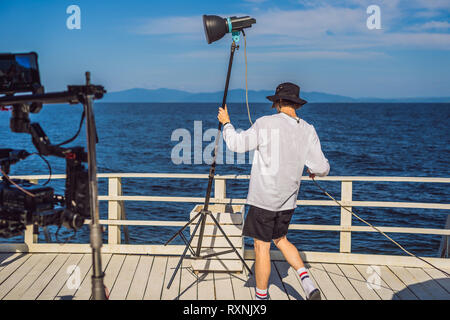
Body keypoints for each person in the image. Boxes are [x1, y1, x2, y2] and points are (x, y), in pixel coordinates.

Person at [217, 82, 330, 300]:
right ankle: (308, 284)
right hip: (288, 202)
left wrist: (227, 123)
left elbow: (236, 145)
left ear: (277, 103)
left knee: (261, 248)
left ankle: (261, 298)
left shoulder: (265, 123)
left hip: (263, 200)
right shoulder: (308, 129)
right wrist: (313, 170)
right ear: (296, 104)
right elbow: (322, 167)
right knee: (281, 239)